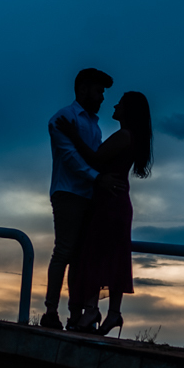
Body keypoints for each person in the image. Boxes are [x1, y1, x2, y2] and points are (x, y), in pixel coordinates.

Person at [56, 91, 153, 336]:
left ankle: (93, 310)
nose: (115, 104)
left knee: (95, 254)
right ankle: (112, 314)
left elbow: (95, 158)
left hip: (109, 203)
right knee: (114, 256)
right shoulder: (131, 137)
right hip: (117, 202)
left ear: (128, 110)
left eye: (120, 102)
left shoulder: (123, 136)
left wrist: (72, 135)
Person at [40, 68, 121, 330]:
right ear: (83, 89)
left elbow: (87, 156)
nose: (102, 97)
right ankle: (51, 311)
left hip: (87, 194)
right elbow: (70, 158)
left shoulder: (93, 124)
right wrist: (97, 178)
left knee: (78, 256)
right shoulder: (62, 118)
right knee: (64, 251)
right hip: (69, 192)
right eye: (99, 91)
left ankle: (74, 314)